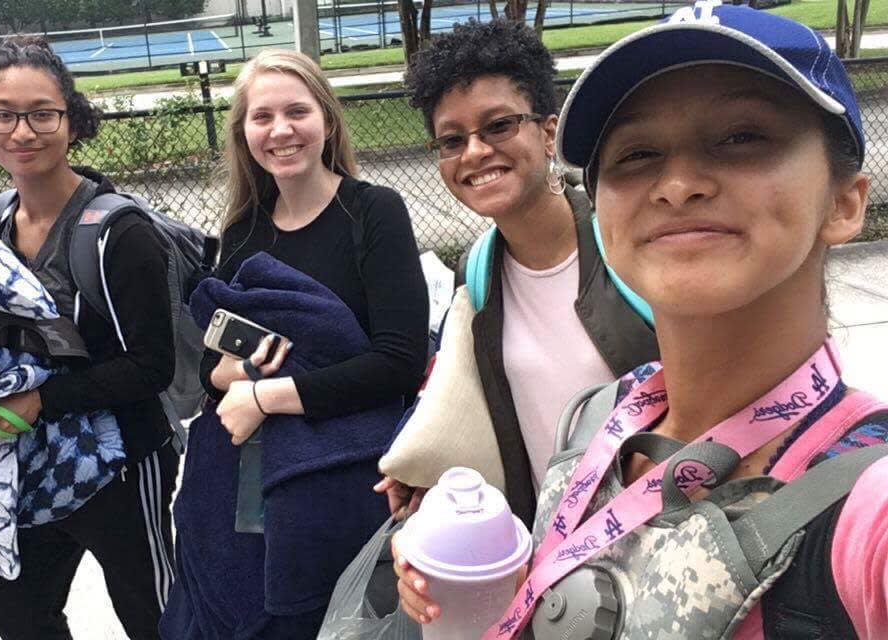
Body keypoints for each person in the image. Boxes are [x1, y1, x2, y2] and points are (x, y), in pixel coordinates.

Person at [395, 4, 888, 637]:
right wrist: (485, 570)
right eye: (638, 152)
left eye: (742, 137)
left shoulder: (863, 506)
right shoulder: (599, 416)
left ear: (845, 202)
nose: (678, 184)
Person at [161, 49, 429, 638]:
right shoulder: (243, 230)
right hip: (251, 480)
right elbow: (211, 363)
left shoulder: (374, 213)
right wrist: (235, 375)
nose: (280, 130)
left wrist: (265, 396)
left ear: (326, 119)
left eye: (296, 112)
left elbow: (398, 363)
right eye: (262, 117)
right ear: (244, 133)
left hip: (342, 477)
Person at [376, 19, 659, 527]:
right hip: (546, 548)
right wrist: (430, 470)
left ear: (549, 132)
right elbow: (476, 405)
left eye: (499, 126)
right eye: (452, 140)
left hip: (654, 536)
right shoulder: (478, 270)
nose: (475, 152)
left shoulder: (631, 243)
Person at [0, 36, 178, 640]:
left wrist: (40, 401)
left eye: (42, 114)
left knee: (155, 617)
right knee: (20, 617)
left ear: (72, 122)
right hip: (24, 463)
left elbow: (152, 366)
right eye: (3, 114)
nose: (22, 131)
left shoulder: (119, 233)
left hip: (121, 464)